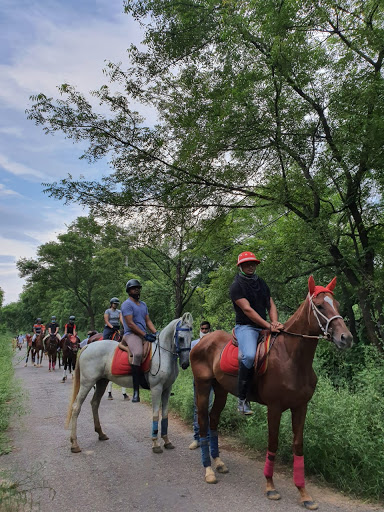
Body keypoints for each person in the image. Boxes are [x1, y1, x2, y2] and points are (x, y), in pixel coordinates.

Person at [230, 251, 284, 415]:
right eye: (247, 263)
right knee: (250, 355)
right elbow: (247, 310)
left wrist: (274, 322)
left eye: (253, 263)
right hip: (247, 327)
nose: (251, 266)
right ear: (240, 266)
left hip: (265, 325)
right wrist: (268, 325)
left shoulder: (261, 282)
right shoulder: (236, 286)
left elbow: (271, 304)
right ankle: (242, 399)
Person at [121, 279, 157, 403]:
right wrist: (144, 334)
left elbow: (148, 321)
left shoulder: (143, 305)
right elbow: (130, 324)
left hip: (143, 335)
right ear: (129, 291)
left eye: (138, 288)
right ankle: (136, 390)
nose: (136, 290)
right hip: (131, 334)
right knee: (137, 353)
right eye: (134, 288)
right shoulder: (127, 304)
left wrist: (156, 333)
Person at [189, 320, 214, 450]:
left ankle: (208, 438)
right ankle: (196, 438)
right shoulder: (194, 344)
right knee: (197, 408)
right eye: (202, 328)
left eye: (206, 329)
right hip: (198, 381)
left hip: (211, 380)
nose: (204, 331)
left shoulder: (214, 344)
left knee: (209, 408)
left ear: (210, 329)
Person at [103, 297, 129, 401]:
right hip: (108, 328)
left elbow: (122, 319)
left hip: (117, 328)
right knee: (104, 340)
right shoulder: (107, 311)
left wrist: (125, 326)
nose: (116, 305)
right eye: (114, 304)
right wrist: (111, 327)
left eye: (117, 304)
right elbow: (106, 320)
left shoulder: (119, 311)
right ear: (111, 304)